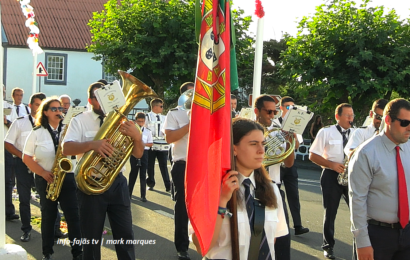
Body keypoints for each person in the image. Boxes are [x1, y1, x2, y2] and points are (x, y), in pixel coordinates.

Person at [62, 82, 144, 260]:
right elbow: (66, 148)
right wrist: (93, 145)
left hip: (117, 184)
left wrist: (137, 137)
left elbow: (138, 154)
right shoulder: (80, 120)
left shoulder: (124, 121)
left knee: (125, 237)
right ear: (90, 100)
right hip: (90, 183)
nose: (102, 101)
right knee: (91, 240)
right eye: (97, 98)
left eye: (106, 96)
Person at [192, 118, 289, 259]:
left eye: (263, 144)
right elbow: (202, 247)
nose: (261, 150)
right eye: (253, 144)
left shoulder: (272, 189)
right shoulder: (210, 189)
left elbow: (272, 239)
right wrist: (222, 201)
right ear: (234, 148)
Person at [349, 98, 410, 260]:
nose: (409, 127)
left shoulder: (409, 148)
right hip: (377, 235)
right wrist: (362, 242)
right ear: (388, 120)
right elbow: (357, 200)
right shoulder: (366, 153)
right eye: (404, 122)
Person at [22, 98, 82, 260]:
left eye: (60, 109)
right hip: (46, 178)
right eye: (54, 109)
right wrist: (42, 173)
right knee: (48, 216)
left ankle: (78, 252)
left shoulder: (68, 130)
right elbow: (26, 157)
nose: (58, 112)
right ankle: (47, 252)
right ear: (46, 112)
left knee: (73, 216)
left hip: (67, 177)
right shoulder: (37, 132)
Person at [309, 103, 355, 259]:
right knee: (330, 213)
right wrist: (331, 165)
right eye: (347, 115)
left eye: (352, 115)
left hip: (351, 176)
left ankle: (360, 246)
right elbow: (313, 155)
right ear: (338, 116)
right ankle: (328, 246)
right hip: (330, 174)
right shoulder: (326, 132)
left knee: (358, 212)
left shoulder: (357, 133)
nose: (351, 118)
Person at [253, 94, 294, 260]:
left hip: (273, 186)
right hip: (252, 185)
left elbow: (289, 163)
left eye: (274, 112)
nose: (272, 115)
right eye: (268, 112)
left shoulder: (277, 133)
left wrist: (291, 138)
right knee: (253, 234)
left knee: (282, 237)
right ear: (257, 111)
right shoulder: (247, 131)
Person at [5, 92, 46, 242]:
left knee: (48, 198)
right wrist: (23, 156)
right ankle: (26, 230)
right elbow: (8, 143)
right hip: (22, 165)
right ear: (30, 106)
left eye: (43, 104)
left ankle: (53, 230)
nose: (40, 107)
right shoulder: (20, 122)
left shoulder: (49, 123)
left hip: (43, 165)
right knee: (24, 198)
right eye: (37, 104)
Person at [164, 82, 194, 260]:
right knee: (182, 207)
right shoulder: (174, 114)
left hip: (202, 164)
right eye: (190, 93)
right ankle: (182, 247)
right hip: (182, 164)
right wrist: (191, 124)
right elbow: (170, 138)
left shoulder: (206, 112)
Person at [274, 96, 309, 236]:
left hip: (290, 163)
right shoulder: (274, 122)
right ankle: (280, 225)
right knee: (276, 194)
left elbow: (298, 145)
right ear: (281, 107)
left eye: (293, 107)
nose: (290, 110)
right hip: (276, 163)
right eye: (288, 107)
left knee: (293, 194)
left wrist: (293, 134)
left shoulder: (296, 124)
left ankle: (298, 225)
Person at [145, 98, 171, 192]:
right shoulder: (147, 117)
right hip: (151, 144)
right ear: (155, 107)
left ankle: (168, 185)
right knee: (150, 165)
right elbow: (144, 130)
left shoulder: (164, 118)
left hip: (162, 145)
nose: (162, 108)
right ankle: (150, 183)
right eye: (161, 106)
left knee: (163, 165)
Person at [129, 112, 153, 202]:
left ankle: (143, 196)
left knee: (143, 175)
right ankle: (129, 193)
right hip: (134, 152)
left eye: (142, 121)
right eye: (138, 121)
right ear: (135, 121)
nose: (140, 123)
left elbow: (150, 144)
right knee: (133, 174)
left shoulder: (148, 131)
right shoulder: (132, 131)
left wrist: (141, 143)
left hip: (144, 153)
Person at [3, 84, 18, 222]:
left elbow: (15, 125)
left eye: (2, 91)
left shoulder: (8, 107)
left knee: (8, 180)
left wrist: (6, 121)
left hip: (5, 146)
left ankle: (8, 211)